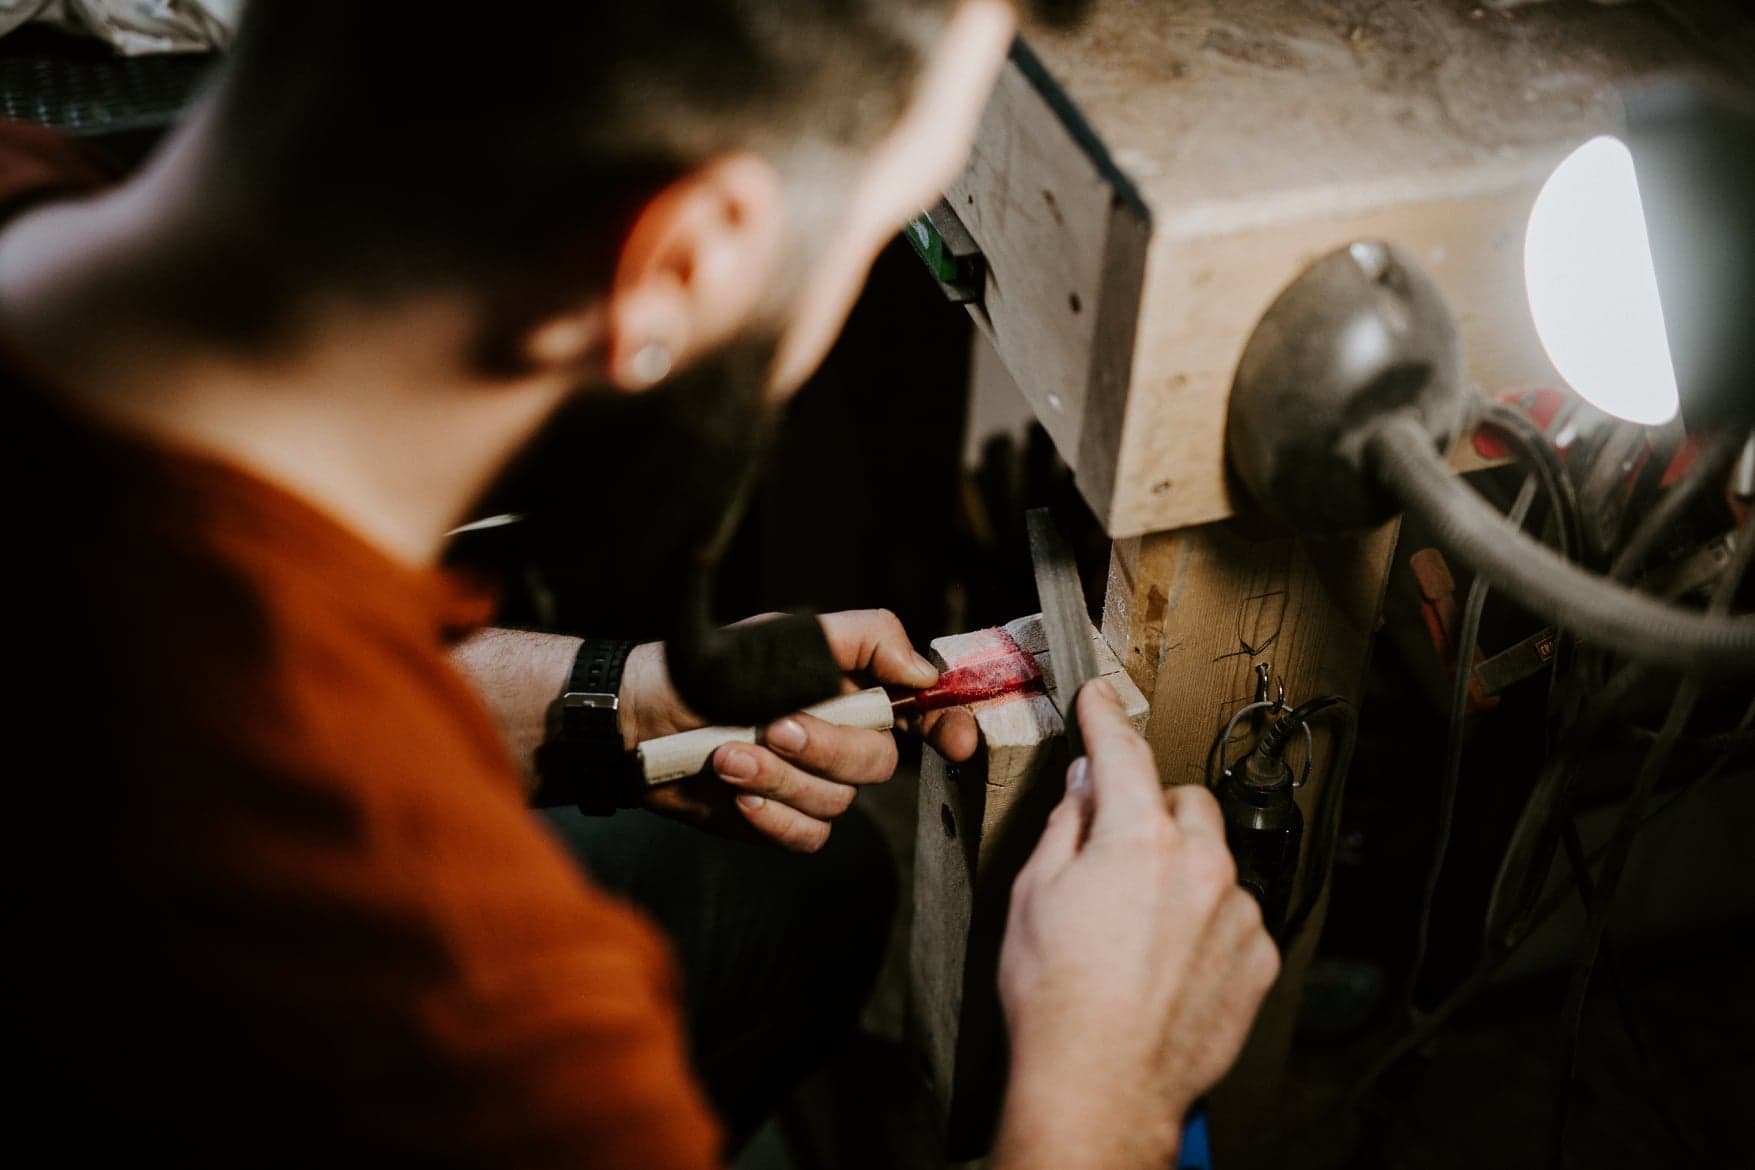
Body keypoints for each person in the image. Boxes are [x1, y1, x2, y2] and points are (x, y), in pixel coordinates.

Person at [1, 2, 1279, 1167]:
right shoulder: (468, 1015)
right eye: (883, 221)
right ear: (682, 266)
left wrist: (604, 702)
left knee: (807, 896)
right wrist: (1100, 1096)